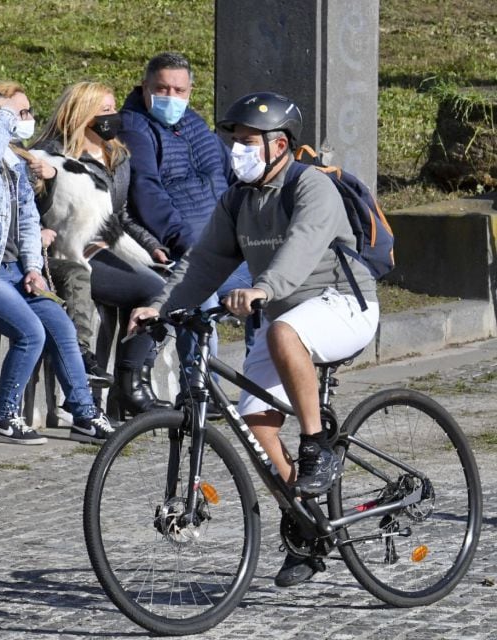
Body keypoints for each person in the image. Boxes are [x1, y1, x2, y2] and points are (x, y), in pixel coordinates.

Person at [129, 91, 379, 588]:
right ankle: (307, 527)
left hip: (344, 304)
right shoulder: (238, 199)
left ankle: (316, 447)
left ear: (279, 144)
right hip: (282, 312)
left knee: (285, 331)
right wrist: (161, 307)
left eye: (246, 142)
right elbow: (202, 265)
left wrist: (263, 288)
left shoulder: (311, 188)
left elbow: (300, 249)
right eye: (234, 142)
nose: (236, 151)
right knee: (255, 426)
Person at [0, 83, 113, 445]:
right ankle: (3, 416)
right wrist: (5, 115)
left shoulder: (13, 158)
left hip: (13, 272)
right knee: (30, 333)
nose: (20, 121)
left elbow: (28, 218)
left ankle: (85, 415)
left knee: (61, 326)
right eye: (11, 114)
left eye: (24, 113)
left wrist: (33, 268)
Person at [31, 81, 173, 416]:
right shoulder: (48, 155)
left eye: (113, 109)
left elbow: (119, 215)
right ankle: (130, 388)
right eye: (104, 110)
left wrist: (152, 247)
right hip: (65, 255)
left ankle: (131, 381)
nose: (113, 117)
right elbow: (29, 209)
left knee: (165, 285)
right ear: (81, 115)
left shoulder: (116, 153)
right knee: (155, 290)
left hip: (106, 245)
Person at [119, 52, 254, 398]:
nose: (170, 97)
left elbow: (233, 179)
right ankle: (201, 392)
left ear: (190, 90)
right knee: (200, 302)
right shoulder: (134, 127)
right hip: (186, 249)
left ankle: (261, 386)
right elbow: (146, 190)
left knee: (266, 296)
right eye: (161, 88)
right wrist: (185, 241)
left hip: (228, 247)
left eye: (179, 90)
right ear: (145, 86)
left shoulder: (197, 126)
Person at [0, 80, 113, 390]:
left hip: (28, 262)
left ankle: (83, 395)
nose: (27, 119)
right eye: (18, 113)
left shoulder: (24, 159)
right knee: (69, 282)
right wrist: (33, 242)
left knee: (71, 285)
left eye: (28, 111)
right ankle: (79, 368)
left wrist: (50, 181)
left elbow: (33, 210)